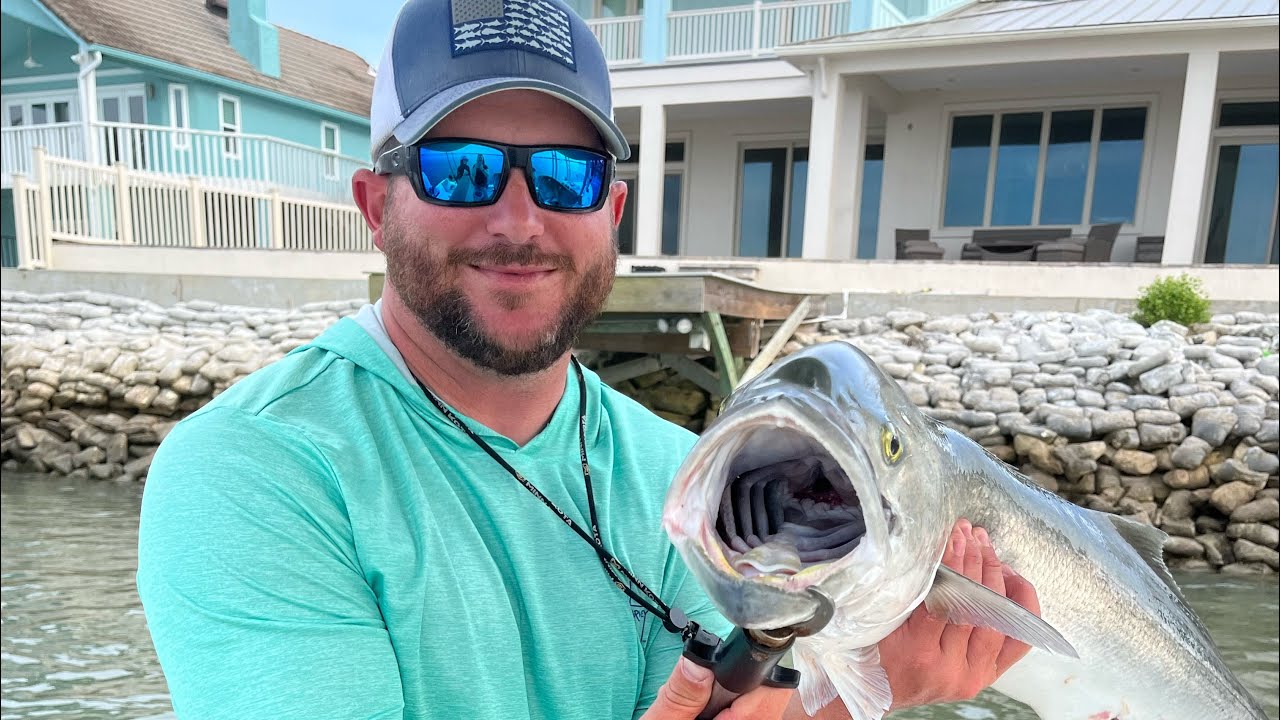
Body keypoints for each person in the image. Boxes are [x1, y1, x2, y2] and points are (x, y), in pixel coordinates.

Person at [135, 0, 1039, 718]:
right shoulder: (253, 471)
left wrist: (852, 692)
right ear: (377, 206)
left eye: (564, 173)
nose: (519, 220)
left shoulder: (681, 477)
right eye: (461, 169)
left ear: (610, 211)